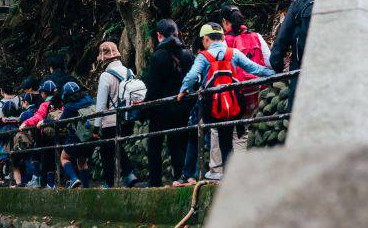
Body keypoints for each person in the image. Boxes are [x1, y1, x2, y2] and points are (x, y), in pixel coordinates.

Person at [174, 23, 275, 186]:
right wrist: (275, 73)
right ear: (222, 37)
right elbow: (254, 69)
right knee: (226, 142)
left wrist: (183, 90)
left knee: (194, 136)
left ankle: (187, 176)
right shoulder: (233, 53)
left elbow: (192, 76)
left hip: (207, 107)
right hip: (230, 105)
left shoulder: (204, 56)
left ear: (206, 39)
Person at [205, 5, 272, 181]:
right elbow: (269, 62)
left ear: (225, 23)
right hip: (253, 92)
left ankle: (217, 170)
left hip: (231, 94)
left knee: (218, 130)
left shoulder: (223, 44)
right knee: (242, 133)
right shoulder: (256, 37)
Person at [139, 20, 194, 188]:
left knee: (154, 144)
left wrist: (143, 110)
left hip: (160, 110)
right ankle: (180, 177)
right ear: (177, 33)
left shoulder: (158, 56)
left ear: (159, 35)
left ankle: (155, 181)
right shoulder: (188, 54)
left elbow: (153, 88)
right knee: (178, 143)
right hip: (182, 107)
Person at [269, 0, 321, 111]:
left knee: (297, 113)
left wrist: (277, 65)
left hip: (301, 70)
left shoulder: (299, 4)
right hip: (328, 69)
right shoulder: (337, 3)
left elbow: (282, 39)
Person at [94, 41, 138, 188]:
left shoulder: (106, 76)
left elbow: (100, 104)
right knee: (117, 146)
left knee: (106, 150)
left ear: (103, 58)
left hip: (110, 120)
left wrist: (96, 125)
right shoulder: (129, 71)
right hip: (127, 118)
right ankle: (129, 174)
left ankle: (110, 183)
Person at [19, 80, 60, 188]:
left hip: (46, 136)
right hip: (60, 134)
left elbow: (38, 117)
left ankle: (47, 183)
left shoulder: (45, 104)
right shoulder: (61, 103)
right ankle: (53, 183)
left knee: (46, 159)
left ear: (43, 93)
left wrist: (25, 123)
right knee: (54, 158)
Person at [59, 82, 95, 189]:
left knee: (64, 158)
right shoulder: (89, 99)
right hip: (90, 135)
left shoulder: (69, 106)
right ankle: (86, 187)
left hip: (76, 137)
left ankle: (74, 179)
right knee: (82, 160)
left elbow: (61, 122)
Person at [11, 93, 41, 187]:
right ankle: (33, 179)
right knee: (33, 159)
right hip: (37, 138)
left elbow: (19, 126)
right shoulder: (38, 111)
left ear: (25, 102)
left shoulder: (25, 114)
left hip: (26, 139)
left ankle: (34, 179)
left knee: (26, 159)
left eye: (23, 102)